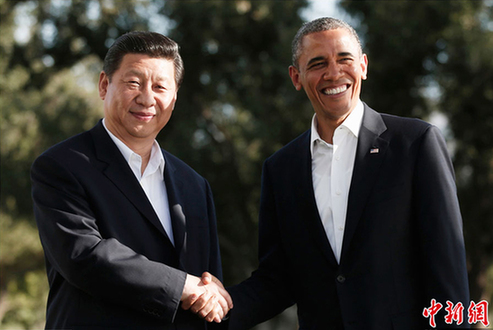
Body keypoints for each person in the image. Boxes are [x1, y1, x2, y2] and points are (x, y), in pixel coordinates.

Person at [191, 17, 470, 329]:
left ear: (363, 65)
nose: (334, 73)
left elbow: (448, 271)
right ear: (296, 77)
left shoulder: (415, 144)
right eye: (318, 63)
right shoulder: (280, 169)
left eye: (344, 59)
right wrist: (221, 305)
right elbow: (276, 280)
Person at [31, 31, 232, 329]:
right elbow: (84, 257)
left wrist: (212, 296)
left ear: (174, 97)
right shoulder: (61, 166)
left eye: (161, 86)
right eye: (133, 83)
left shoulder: (194, 185)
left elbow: (209, 283)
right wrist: (183, 287)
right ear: (104, 85)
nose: (147, 98)